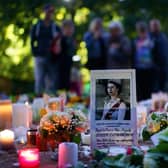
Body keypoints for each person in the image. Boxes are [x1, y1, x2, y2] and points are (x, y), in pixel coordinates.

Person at [30, 4, 60, 96]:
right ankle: (38, 100)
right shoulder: (37, 26)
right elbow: (32, 40)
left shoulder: (55, 26)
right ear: (44, 11)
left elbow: (59, 41)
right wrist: (35, 52)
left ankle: (51, 102)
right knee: (39, 80)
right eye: (48, 11)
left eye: (51, 12)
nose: (49, 13)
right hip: (39, 56)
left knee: (50, 81)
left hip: (51, 58)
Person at [133, 21, 156, 101]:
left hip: (149, 69)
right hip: (139, 69)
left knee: (148, 89)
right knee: (140, 90)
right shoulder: (136, 40)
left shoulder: (151, 39)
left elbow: (154, 51)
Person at [149, 19, 168, 92]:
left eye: (156, 25)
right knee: (153, 89)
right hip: (152, 68)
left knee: (162, 89)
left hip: (163, 67)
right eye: (153, 25)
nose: (155, 27)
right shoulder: (149, 37)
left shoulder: (163, 37)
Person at [59, 20, 76, 91]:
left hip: (68, 63)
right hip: (60, 64)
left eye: (71, 28)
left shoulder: (71, 39)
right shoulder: (60, 39)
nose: (70, 30)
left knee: (67, 81)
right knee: (61, 82)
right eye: (68, 28)